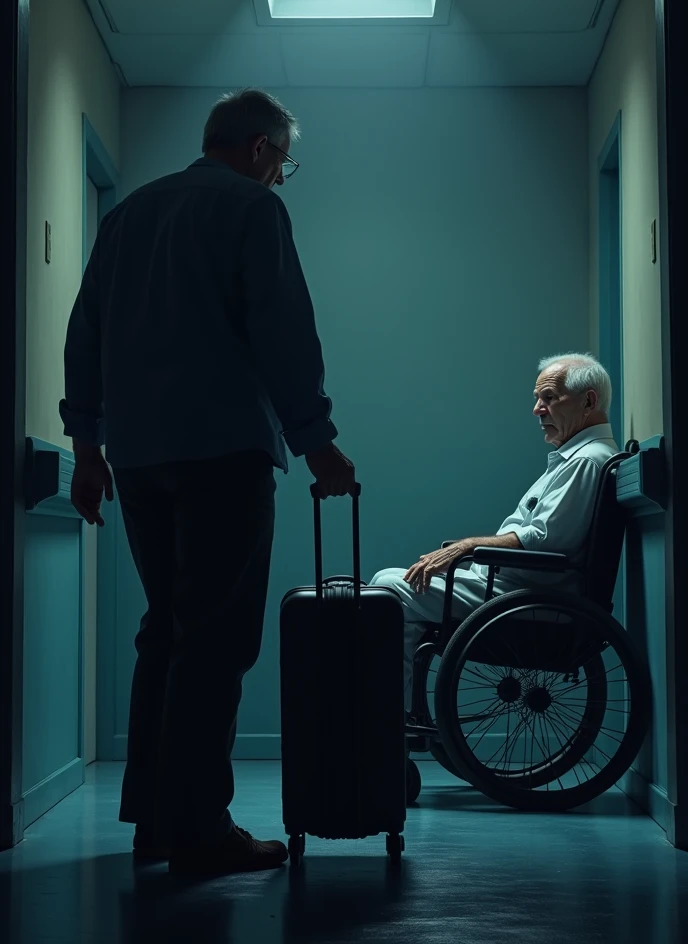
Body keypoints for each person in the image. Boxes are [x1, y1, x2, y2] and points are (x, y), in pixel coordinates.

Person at [60, 88, 356, 875]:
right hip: (223, 449)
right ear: (260, 147)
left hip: (139, 454)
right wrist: (318, 442)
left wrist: (87, 447)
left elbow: (84, 329)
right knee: (216, 638)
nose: (280, 178)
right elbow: (282, 329)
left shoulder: (129, 215)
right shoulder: (251, 212)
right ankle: (197, 830)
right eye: (282, 162)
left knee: (166, 630)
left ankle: (155, 822)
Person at [370, 353, 618, 712]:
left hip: (526, 595)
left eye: (549, 398)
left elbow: (544, 540)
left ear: (589, 401)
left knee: (389, 590)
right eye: (538, 399)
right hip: (514, 588)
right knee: (389, 583)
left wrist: (470, 545)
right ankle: (399, 716)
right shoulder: (578, 458)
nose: (537, 409)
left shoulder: (583, 461)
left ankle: (393, 721)